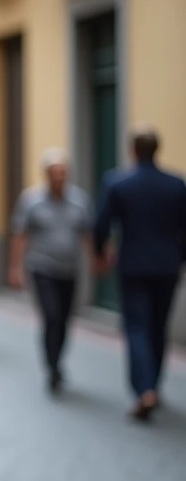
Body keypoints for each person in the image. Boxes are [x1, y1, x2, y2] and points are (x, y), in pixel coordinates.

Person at [93, 126, 186, 421]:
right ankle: (154, 385)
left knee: (136, 327)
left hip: (133, 265)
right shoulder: (176, 184)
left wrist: (100, 254)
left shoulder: (118, 182)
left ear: (132, 149)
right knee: (158, 327)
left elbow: (101, 224)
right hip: (167, 267)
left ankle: (144, 388)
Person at [8, 148, 92, 393]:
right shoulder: (31, 200)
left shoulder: (79, 200)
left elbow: (86, 233)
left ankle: (57, 359)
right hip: (42, 267)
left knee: (65, 319)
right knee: (52, 315)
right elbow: (20, 235)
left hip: (70, 269)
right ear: (46, 174)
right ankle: (52, 364)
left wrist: (96, 259)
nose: (59, 177)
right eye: (54, 173)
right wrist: (15, 267)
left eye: (63, 173)